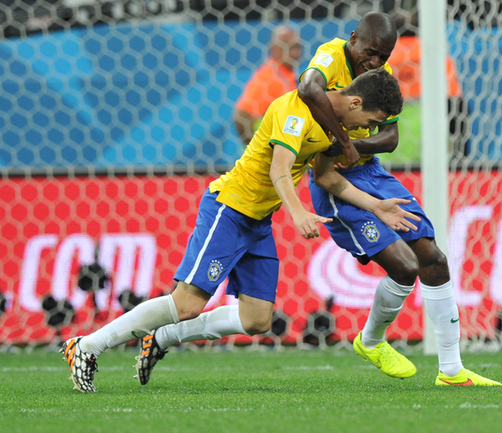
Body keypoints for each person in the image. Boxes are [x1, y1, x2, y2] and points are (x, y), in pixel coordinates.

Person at [61, 68, 417, 392]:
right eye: (372, 121)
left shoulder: (333, 126)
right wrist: (297, 212)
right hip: (229, 208)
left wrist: (375, 206)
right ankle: (87, 346)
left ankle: (162, 337)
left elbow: (326, 178)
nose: (369, 130)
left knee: (257, 319)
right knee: (186, 304)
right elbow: (279, 168)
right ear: (355, 103)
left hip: (258, 222)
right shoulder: (295, 111)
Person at [299, 11, 501, 386]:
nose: (375, 62)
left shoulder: (381, 76)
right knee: (406, 268)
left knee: (433, 258)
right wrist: (343, 143)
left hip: (370, 171)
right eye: (371, 52)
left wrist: (352, 146)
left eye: (384, 56)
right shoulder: (330, 56)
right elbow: (308, 88)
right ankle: (370, 341)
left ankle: (451, 370)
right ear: (354, 38)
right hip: (333, 181)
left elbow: (390, 138)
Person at [381, 11, 470, 163]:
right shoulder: (435, 54)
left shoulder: (381, 58)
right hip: (433, 141)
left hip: (391, 145)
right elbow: (457, 104)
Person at [233, 25, 302, 146]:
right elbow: (240, 116)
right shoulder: (270, 77)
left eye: (297, 47)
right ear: (274, 49)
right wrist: (258, 148)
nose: (295, 53)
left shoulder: (286, 74)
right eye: (288, 47)